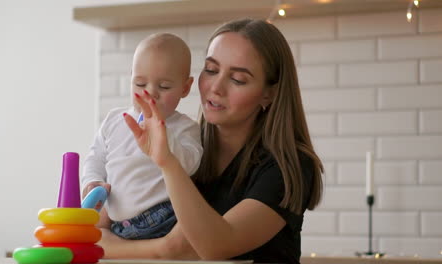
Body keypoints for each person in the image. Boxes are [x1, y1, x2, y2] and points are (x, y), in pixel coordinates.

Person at [99, 18, 324, 263]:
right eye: (211, 70)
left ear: (269, 93)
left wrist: (168, 162)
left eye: (238, 79)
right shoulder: (187, 146)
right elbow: (98, 232)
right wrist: (163, 248)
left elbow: (215, 245)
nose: (215, 87)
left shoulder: (289, 165)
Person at [81, 33, 203, 240]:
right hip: (120, 226)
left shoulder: (185, 127)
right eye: (140, 84)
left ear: (185, 87)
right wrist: (93, 181)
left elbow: (191, 164)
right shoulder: (114, 120)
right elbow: (95, 158)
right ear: (130, 78)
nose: (150, 93)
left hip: (164, 219)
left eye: (164, 87)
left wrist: (164, 137)